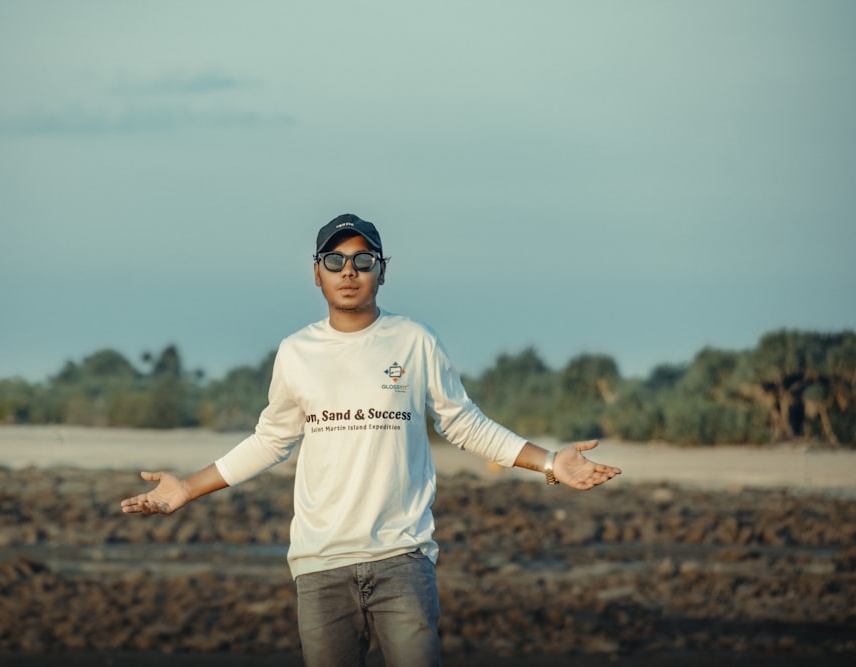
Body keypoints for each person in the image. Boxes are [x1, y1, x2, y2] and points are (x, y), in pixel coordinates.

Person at [121, 213, 622, 666]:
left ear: (382, 270)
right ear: (315, 271)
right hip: (320, 567)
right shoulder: (296, 352)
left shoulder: (414, 340)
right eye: (335, 260)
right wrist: (187, 488)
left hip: (402, 559)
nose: (348, 271)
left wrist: (552, 462)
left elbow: (464, 423)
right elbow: (270, 440)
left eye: (363, 259)